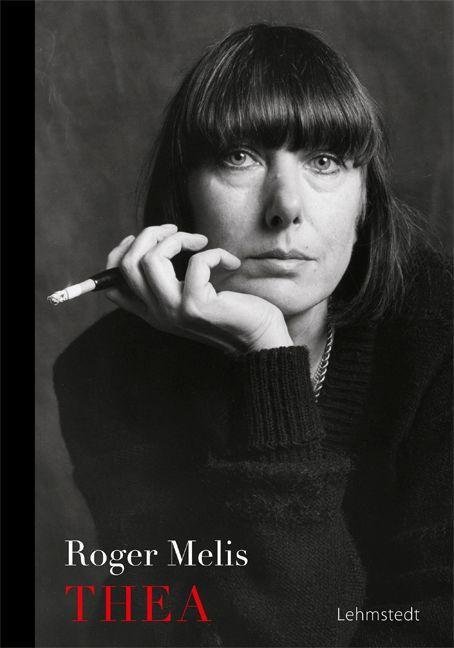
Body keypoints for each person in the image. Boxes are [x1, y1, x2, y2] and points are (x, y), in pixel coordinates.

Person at [54, 23, 452, 647]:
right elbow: (169, 628)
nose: (285, 206)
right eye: (239, 157)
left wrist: (266, 360)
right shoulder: (106, 373)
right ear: (183, 196)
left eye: (325, 161)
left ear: (365, 202)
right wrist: (265, 352)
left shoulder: (440, 341)